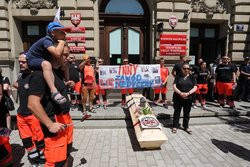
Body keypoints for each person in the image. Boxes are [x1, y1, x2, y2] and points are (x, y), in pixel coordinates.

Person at [27, 45, 73, 167]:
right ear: (54, 54)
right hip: (54, 122)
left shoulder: (57, 72)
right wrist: (50, 124)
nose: (68, 58)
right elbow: (32, 103)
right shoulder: (39, 74)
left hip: (65, 120)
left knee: (65, 156)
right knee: (55, 162)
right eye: (65, 55)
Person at [13, 52, 45, 166]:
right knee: (27, 141)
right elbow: (15, 84)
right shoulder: (21, 75)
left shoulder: (36, 75)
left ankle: (42, 161)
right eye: (19, 62)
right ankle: (34, 161)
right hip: (21, 115)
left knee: (39, 140)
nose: (21, 64)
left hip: (33, 115)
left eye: (23, 62)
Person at [26, 21, 69, 105]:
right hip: (33, 59)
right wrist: (62, 43)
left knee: (48, 65)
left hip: (41, 59)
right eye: (61, 32)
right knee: (47, 64)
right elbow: (57, 54)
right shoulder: (47, 40)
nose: (65, 33)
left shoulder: (53, 42)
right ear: (53, 32)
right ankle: (54, 91)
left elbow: (60, 58)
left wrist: (63, 65)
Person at [172, 63, 197, 134]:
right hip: (178, 97)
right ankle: (175, 126)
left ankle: (186, 126)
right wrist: (180, 93)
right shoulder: (178, 76)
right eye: (184, 68)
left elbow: (195, 87)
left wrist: (188, 93)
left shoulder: (192, 77)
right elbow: (174, 86)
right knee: (177, 112)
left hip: (188, 98)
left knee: (187, 113)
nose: (186, 70)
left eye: (188, 68)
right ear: (182, 69)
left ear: (189, 70)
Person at [0, 73, 13, 166]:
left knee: (4, 136)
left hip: (3, 107)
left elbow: (3, 90)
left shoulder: (5, 78)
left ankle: (7, 160)